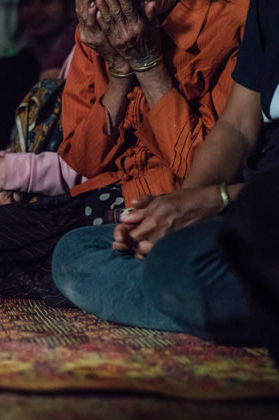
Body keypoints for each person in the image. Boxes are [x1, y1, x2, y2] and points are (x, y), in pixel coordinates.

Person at [0, 0, 247, 305]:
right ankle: (96, 282)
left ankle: (134, 286)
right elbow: (83, 159)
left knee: (73, 256)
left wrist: (146, 62)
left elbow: (202, 170)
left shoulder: (231, 18)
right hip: (101, 195)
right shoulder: (103, 20)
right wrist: (120, 70)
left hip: (168, 199)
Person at [52, 0, 277, 349]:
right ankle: (212, 299)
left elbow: (193, 160)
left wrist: (213, 199)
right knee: (74, 251)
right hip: (250, 204)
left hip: (254, 199)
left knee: (173, 269)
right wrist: (180, 208)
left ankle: (208, 299)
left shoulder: (232, 16)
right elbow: (237, 128)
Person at [0, 0, 77, 152]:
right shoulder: (5, 71)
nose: (34, 11)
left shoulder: (82, 67)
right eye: (27, 4)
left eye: (44, 2)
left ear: (68, 7)